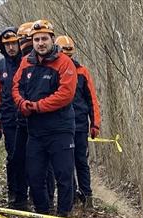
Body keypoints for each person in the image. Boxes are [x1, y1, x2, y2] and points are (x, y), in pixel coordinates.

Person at [12, 20, 77, 218]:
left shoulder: (64, 63)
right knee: (35, 174)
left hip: (60, 129)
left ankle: (63, 215)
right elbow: (16, 87)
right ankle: (42, 211)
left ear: (52, 39)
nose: (40, 43)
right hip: (35, 131)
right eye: (36, 39)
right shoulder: (26, 62)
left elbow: (65, 94)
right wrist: (22, 103)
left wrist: (38, 106)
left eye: (44, 39)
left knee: (64, 174)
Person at [55, 36, 101, 207]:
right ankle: (71, 195)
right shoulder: (53, 70)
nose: (68, 58)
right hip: (61, 125)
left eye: (70, 55)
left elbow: (92, 99)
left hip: (80, 124)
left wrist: (95, 124)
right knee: (64, 164)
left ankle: (87, 197)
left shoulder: (82, 71)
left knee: (81, 161)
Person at [0, 27, 29, 209]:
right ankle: (14, 192)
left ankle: (31, 192)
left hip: (27, 118)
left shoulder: (27, 62)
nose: (11, 48)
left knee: (31, 157)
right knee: (13, 157)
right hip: (8, 120)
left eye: (14, 43)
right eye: (7, 44)